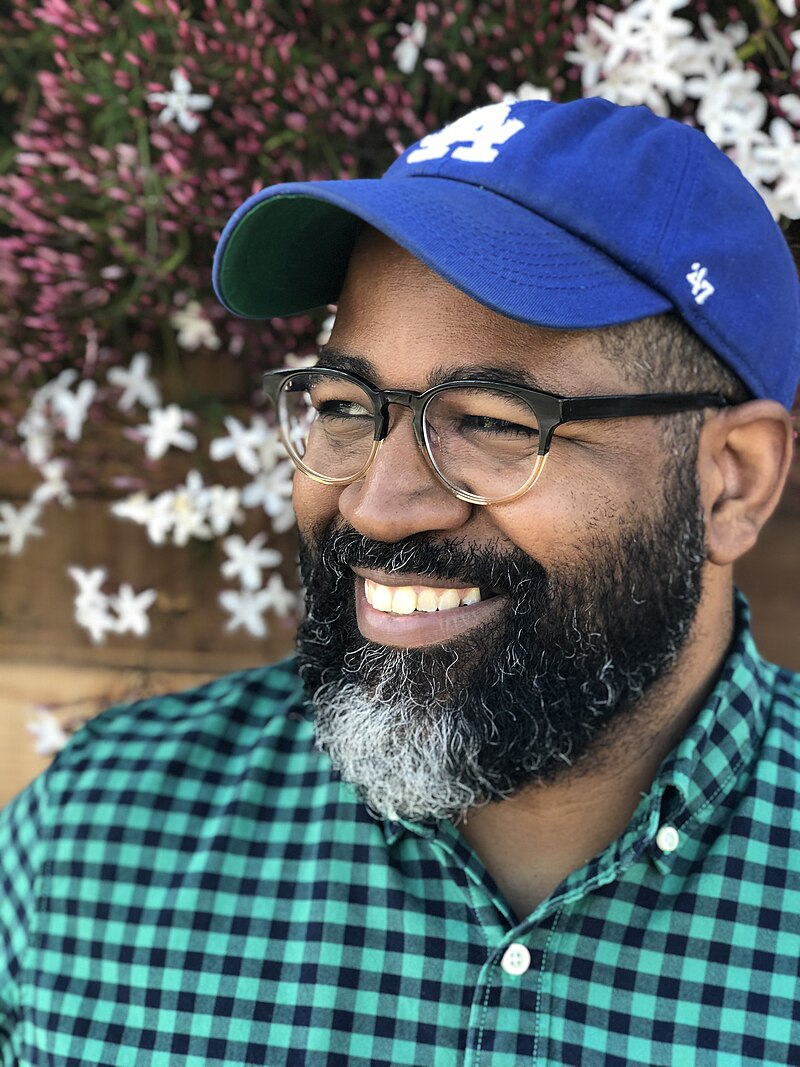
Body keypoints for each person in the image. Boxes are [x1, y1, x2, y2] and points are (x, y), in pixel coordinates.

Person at [2, 98, 799, 1066]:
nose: (379, 504)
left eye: (497, 421)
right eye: (344, 405)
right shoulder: (98, 830)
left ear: (731, 480)